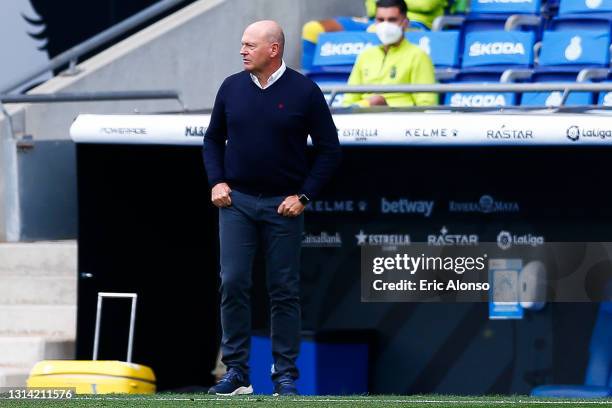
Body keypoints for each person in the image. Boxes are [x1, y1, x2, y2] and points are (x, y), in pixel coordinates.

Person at [203, 20, 341, 396]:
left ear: (273, 49)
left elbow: (330, 149)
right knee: (233, 282)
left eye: (250, 45)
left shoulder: (304, 91)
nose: (242, 50)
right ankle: (236, 374)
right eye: (242, 44)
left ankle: (284, 376)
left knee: (283, 290)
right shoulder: (231, 87)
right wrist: (216, 181)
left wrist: (304, 196)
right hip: (237, 202)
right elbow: (213, 139)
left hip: (284, 205)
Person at [301, 0, 447, 70]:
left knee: (375, 30)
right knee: (312, 29)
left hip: (415, 23)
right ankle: (311, 87)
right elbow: (372, 4)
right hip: (374, 18)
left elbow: (427, 4)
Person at [343, 0, 438, 107]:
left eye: (392, 20)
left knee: (376, 101)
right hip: (361, 117)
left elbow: (426, 105)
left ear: (405, 23)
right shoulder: (365, 55)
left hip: (400, 120)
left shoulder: (418, 55)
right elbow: (348, 101)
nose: (385, 25)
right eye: (381, 20)